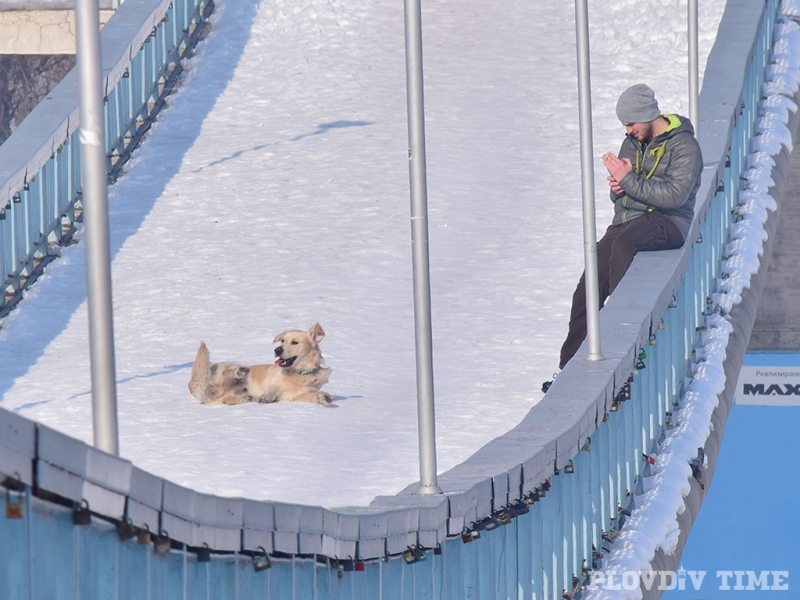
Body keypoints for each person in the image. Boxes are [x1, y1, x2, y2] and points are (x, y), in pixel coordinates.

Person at [557, 83, 703, 373]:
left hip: (667, 221)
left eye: (630, 123)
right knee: (589, 285)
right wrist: (618, 187)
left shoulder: (685, 147)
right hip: (627, 220)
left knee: (625, 246)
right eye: (624, 125)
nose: (628, 130)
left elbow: (674, 196)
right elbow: (623, 190)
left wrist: (628, 181)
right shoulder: (632, 144)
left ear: (648, 116)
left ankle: (626, 344)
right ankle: (567, 368)